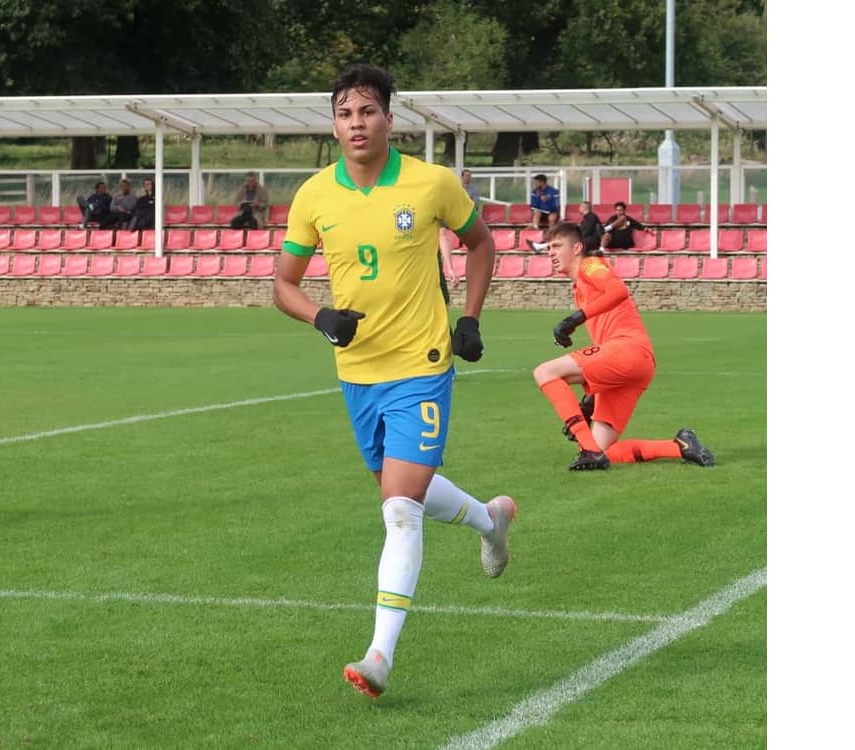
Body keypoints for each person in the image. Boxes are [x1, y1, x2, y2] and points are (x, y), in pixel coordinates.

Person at [272, 63, 515, 701]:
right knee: (399, 492)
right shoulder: (314, 196)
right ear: (334, 124)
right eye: (345, 114)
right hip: (358, 373)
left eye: (368, 111)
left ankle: (379, 654)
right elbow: (283, 286)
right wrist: (320, 317)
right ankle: (490, 520)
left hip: (423, 364)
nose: (357, 123)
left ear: (389, 117)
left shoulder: (430, 183)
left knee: (401, 511)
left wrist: (469, 318)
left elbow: (482, 242)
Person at [532, 221, 715, 471]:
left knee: (545, 372)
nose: (550, 252)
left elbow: (618, 289)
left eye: (556, 246)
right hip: (636, 364)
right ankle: (681, 446)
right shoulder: (580, 287)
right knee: (603, 449)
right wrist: (591, 399)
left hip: (629, 350)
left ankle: (589, 452)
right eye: (548, 247)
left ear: (576, 248)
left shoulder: (590, 264)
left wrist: (575, 319)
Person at [528, 199, 601, 253]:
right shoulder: (587, 218)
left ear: (584, 208)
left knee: (565, 240)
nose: (579, 208)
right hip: (584, 241)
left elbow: (587, 232)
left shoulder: (591, 218)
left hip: (589, 242)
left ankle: (541, 246)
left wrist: (574, 236)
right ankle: (541, 246)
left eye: (580, 207)